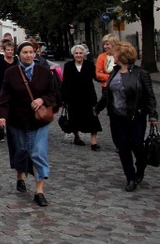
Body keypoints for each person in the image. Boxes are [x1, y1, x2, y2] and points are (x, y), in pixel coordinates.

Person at [0, 41, 55, 207]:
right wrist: (2, 116)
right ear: (19, 55)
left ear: (35, 54)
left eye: (31, 52)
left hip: (39, 121)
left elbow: (53, 94)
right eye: (25, 53)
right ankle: (20, 176)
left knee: (39, 152)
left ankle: (39, 191)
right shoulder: (11, 73)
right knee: (21, 151)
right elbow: (4, 97)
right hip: (18, 120)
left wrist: (42, 99)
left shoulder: (44, 72)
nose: (29, 55)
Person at [94, 42, 158, 191]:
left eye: (114, 53)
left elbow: (150, 96)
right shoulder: (114, 72)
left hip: (136, 116)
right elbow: (107, 95)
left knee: (137, 145)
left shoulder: (141, 74)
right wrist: (97, 108)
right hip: (117, 117)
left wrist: (153, 116)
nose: (112, 56)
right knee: (123, 146)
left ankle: (140, 167)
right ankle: (130, 177)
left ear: (121, 56)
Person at [61, 44, 102, 150]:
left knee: (93, 118)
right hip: (73, 97)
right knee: (74, 118)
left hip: (88, 96)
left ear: (84, 54)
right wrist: (64, 99)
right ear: (73, 54)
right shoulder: (68, 66)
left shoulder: (89, 65)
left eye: (80, 53)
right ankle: (77, 137)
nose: (78, 55)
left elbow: (96, 77)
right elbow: (65, 83)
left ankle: (94, 142)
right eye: (76, 53)